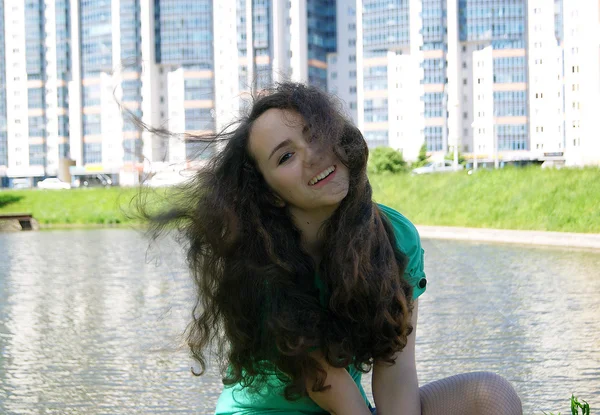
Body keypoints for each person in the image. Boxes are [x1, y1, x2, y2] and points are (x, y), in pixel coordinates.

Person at [145, 82, 522, 415]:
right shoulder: (259, 262)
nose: (312, 155)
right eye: (285, 156)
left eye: (315, 134)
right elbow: (331, 387)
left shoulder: (396, 236)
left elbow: (397, 369)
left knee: (489, 396)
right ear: (269, 194)